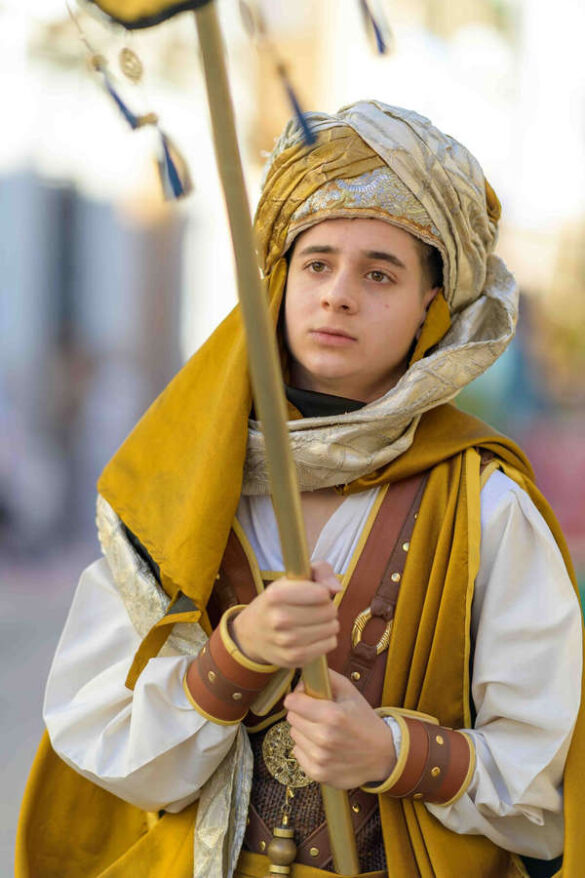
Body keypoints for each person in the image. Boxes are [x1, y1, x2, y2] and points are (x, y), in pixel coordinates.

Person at [16, 101, 584, 878]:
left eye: (378, 273)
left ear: (430, 305)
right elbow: (100, 738)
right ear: (280, 281)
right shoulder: (185, 485)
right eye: (316, 264)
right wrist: (232, 659)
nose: (337, 294)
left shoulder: (485, 506)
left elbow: (546, 779)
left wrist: (391, 752)